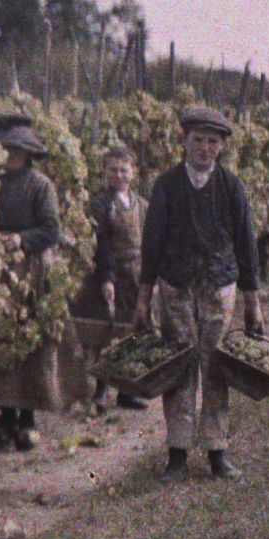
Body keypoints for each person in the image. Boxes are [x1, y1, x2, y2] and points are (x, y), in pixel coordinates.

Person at [138, 105, 264, 480]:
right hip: (174, 285)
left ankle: (216, 452)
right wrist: (144, 299)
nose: (204, 148)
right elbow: (152, 244)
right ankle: (177, 454)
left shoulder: (230, 187)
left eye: (212, 142)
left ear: (221, 147)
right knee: (178, 364)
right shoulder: (166, 185)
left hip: (219, 285)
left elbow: (247, 245)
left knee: (215, 365)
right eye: (198, 141)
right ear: (184, 141)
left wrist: (252, 303)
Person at [0, 115, 64, 451]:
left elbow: (52, 230)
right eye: (5, 148)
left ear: (28, 153)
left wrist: (20, 241)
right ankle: (6, 413)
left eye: (16, 149)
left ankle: (28, 418)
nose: (10, 154)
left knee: (30, 340)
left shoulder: (40, 185)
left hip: (30, 271)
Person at [76, 142, 149, 411]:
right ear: (105, 173)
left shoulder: (142, 205)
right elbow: (101, 243)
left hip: (136, 277)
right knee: (105, 333)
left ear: (133, 172)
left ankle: (127, 391)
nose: (118, 175)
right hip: (109, 275)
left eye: (123, 170)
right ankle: (100, 391)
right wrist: (106, 278)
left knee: (132, 331)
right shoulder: (100, 204)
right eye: (112, 170)